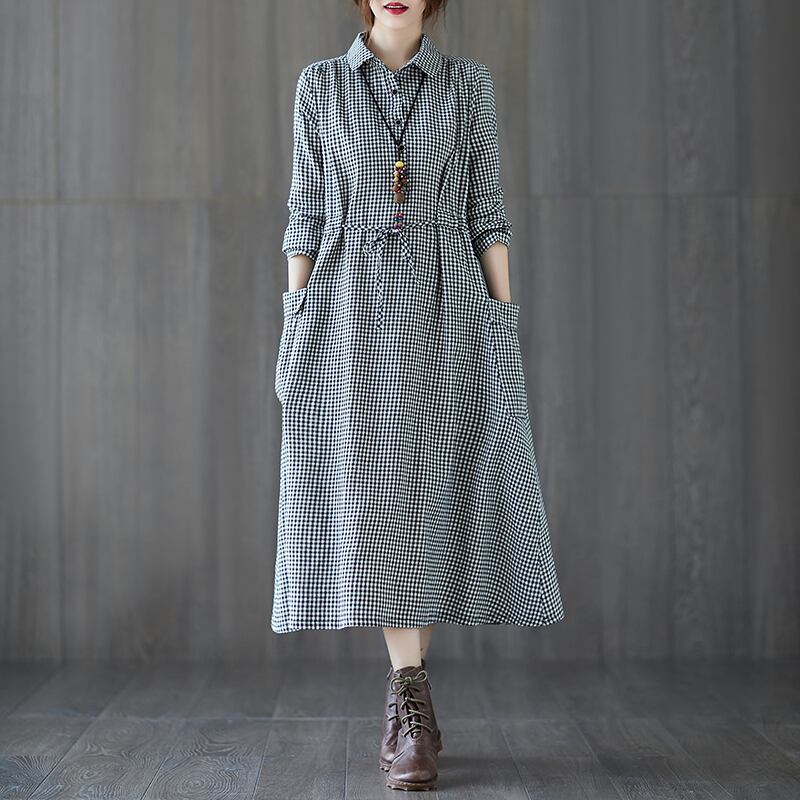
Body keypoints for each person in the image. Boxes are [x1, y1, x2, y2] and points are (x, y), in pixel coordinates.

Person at [273, 0, 565, 791]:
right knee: (379, 507)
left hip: (449, 305)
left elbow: (486, 213)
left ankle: (409, 705)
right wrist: (295, 320)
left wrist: (502, 325)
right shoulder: (320, 86)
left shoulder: (469, 86)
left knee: (428, 501)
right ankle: (411, 702)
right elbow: (305, 213)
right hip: (348, 306)